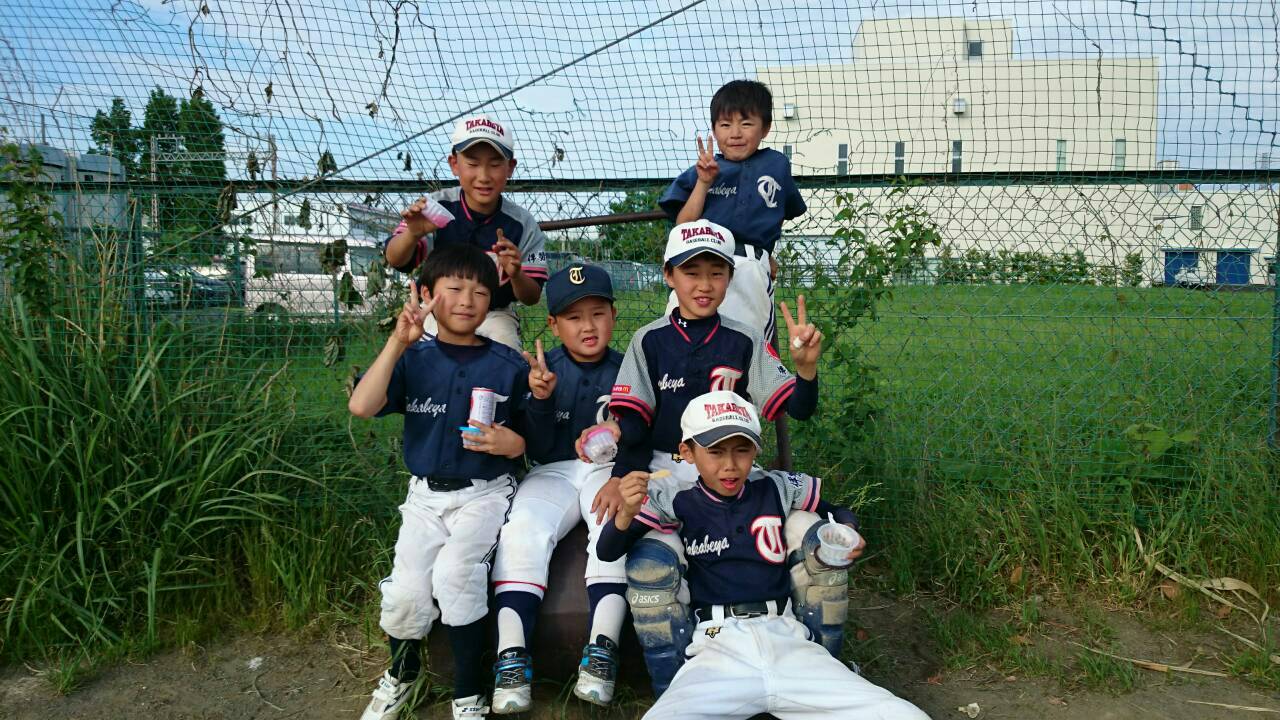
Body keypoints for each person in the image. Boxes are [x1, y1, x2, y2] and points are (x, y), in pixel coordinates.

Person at [578, 218, 834, 695]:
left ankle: (807, 651)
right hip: (664, 466)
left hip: (727, 466)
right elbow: (635, 422)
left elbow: (797, 408)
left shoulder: (744, 337)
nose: (704, 284)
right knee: (628, 541)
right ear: (668, 276)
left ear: (730, 278)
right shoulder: (649, 339)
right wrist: (620, 474)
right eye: (690, 272)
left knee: (794, 531)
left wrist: (806, 371)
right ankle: (644, 661)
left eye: (716, 272)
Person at [597, 392, 931, 720]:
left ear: (756, 449)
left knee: (903, 714)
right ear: (687, 452)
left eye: (742, 450)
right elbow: (607, 551)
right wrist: (626, 514)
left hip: (788, 638)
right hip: (716, 647)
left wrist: (848, 528)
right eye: (715, 451)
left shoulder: (775, 486)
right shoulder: (677, 498)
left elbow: (836, 510)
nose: (730, 465)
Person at [349, 243, 531, 720]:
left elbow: (529, 442)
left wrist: (509, 442)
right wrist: (398, 342)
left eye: (480, 292)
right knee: (406, 592)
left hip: (485, 493)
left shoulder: (508, 365)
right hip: (425, 496)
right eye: (454, 289)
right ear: (426, 293)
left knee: (455, 576)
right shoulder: (413, 358)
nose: (467, 301)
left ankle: (469, 692)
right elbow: (361, 406)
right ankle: (403, 676)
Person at [488, 264, 631, 713]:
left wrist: (624, 435)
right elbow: (535, 447)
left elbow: (645, 431)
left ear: (613, 315)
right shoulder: (540, 368)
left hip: (606, 470)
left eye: (598, 313)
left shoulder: (630, 368)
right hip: (551, 472)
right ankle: (511, 657)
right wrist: (541, 399)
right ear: (553, 324)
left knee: (613, 523)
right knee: (523, 528)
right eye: (573, 317)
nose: (588, 326)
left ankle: (602, 650)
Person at [384, 114, 549, 350]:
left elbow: (531, 297)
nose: (484, 176)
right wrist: (412, 234)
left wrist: (516, 274)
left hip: (494, 315)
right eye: (472, 163)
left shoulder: (523, 224)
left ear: (510, 168)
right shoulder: (435, 207)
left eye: (495, 164)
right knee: (419, 358)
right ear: (454, 164)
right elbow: (395, 259)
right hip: (438, 310)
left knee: (506, 357)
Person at [659, 80, 806, 339]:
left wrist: (764, 251)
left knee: (749, 343)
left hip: (750, 269)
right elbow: (683, 227)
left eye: (746, 123)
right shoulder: (704, 169)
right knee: (680, 339)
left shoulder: (777, 165)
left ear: (766, 127)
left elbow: (778, 209)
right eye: (725, 125)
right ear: (714, 130)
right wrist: (704, 182)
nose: (735, 133)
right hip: (703, 267)